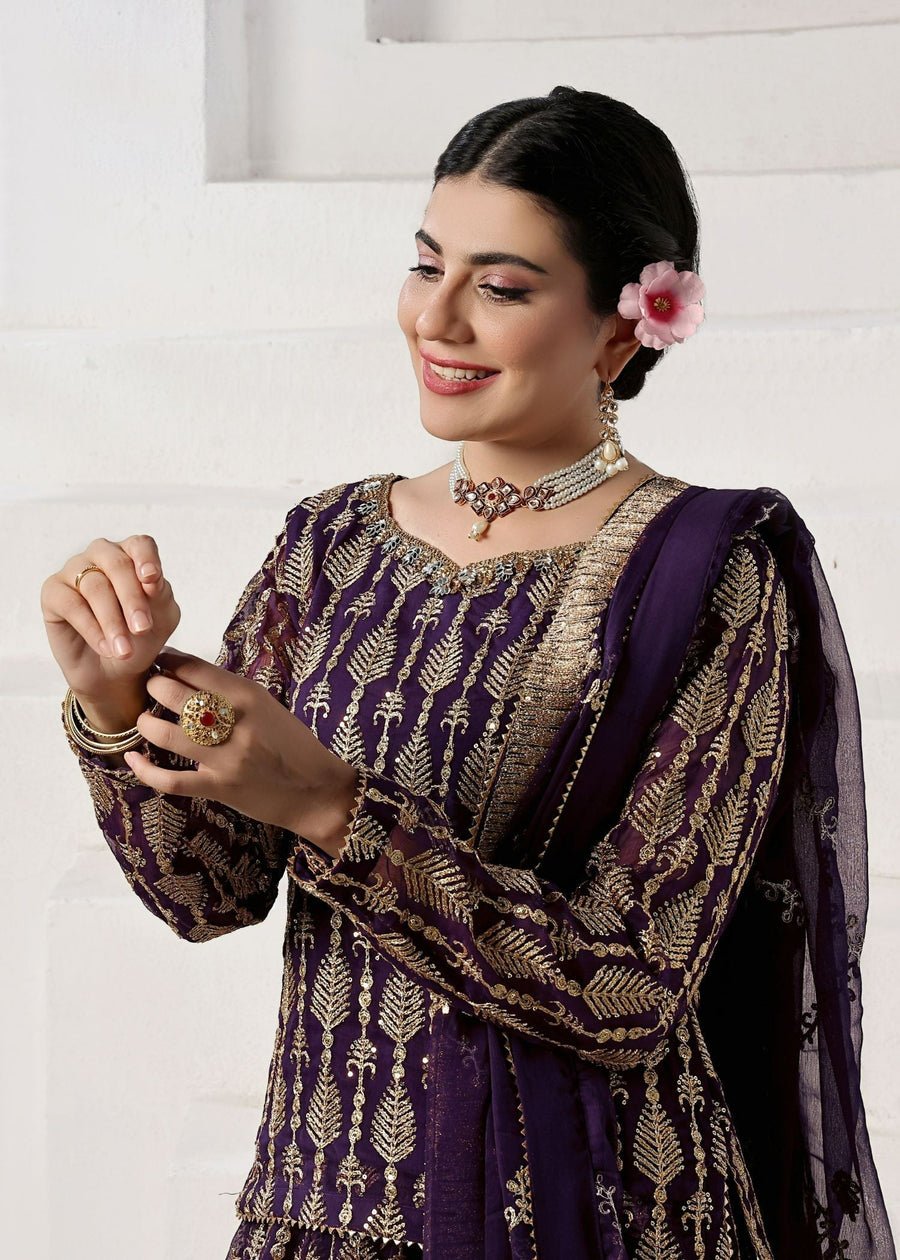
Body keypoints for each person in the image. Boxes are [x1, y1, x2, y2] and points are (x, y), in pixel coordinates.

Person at [41, 87, 895, 1260]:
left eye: (500, 287)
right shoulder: (329, 545)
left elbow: (627, 982)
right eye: (426, 265)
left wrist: (334, 809)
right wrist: (113, 696)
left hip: (599, 1215)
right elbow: (211, 893)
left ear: (621, 329)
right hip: (323, 1206)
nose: (435, 319)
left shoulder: (708, 570)